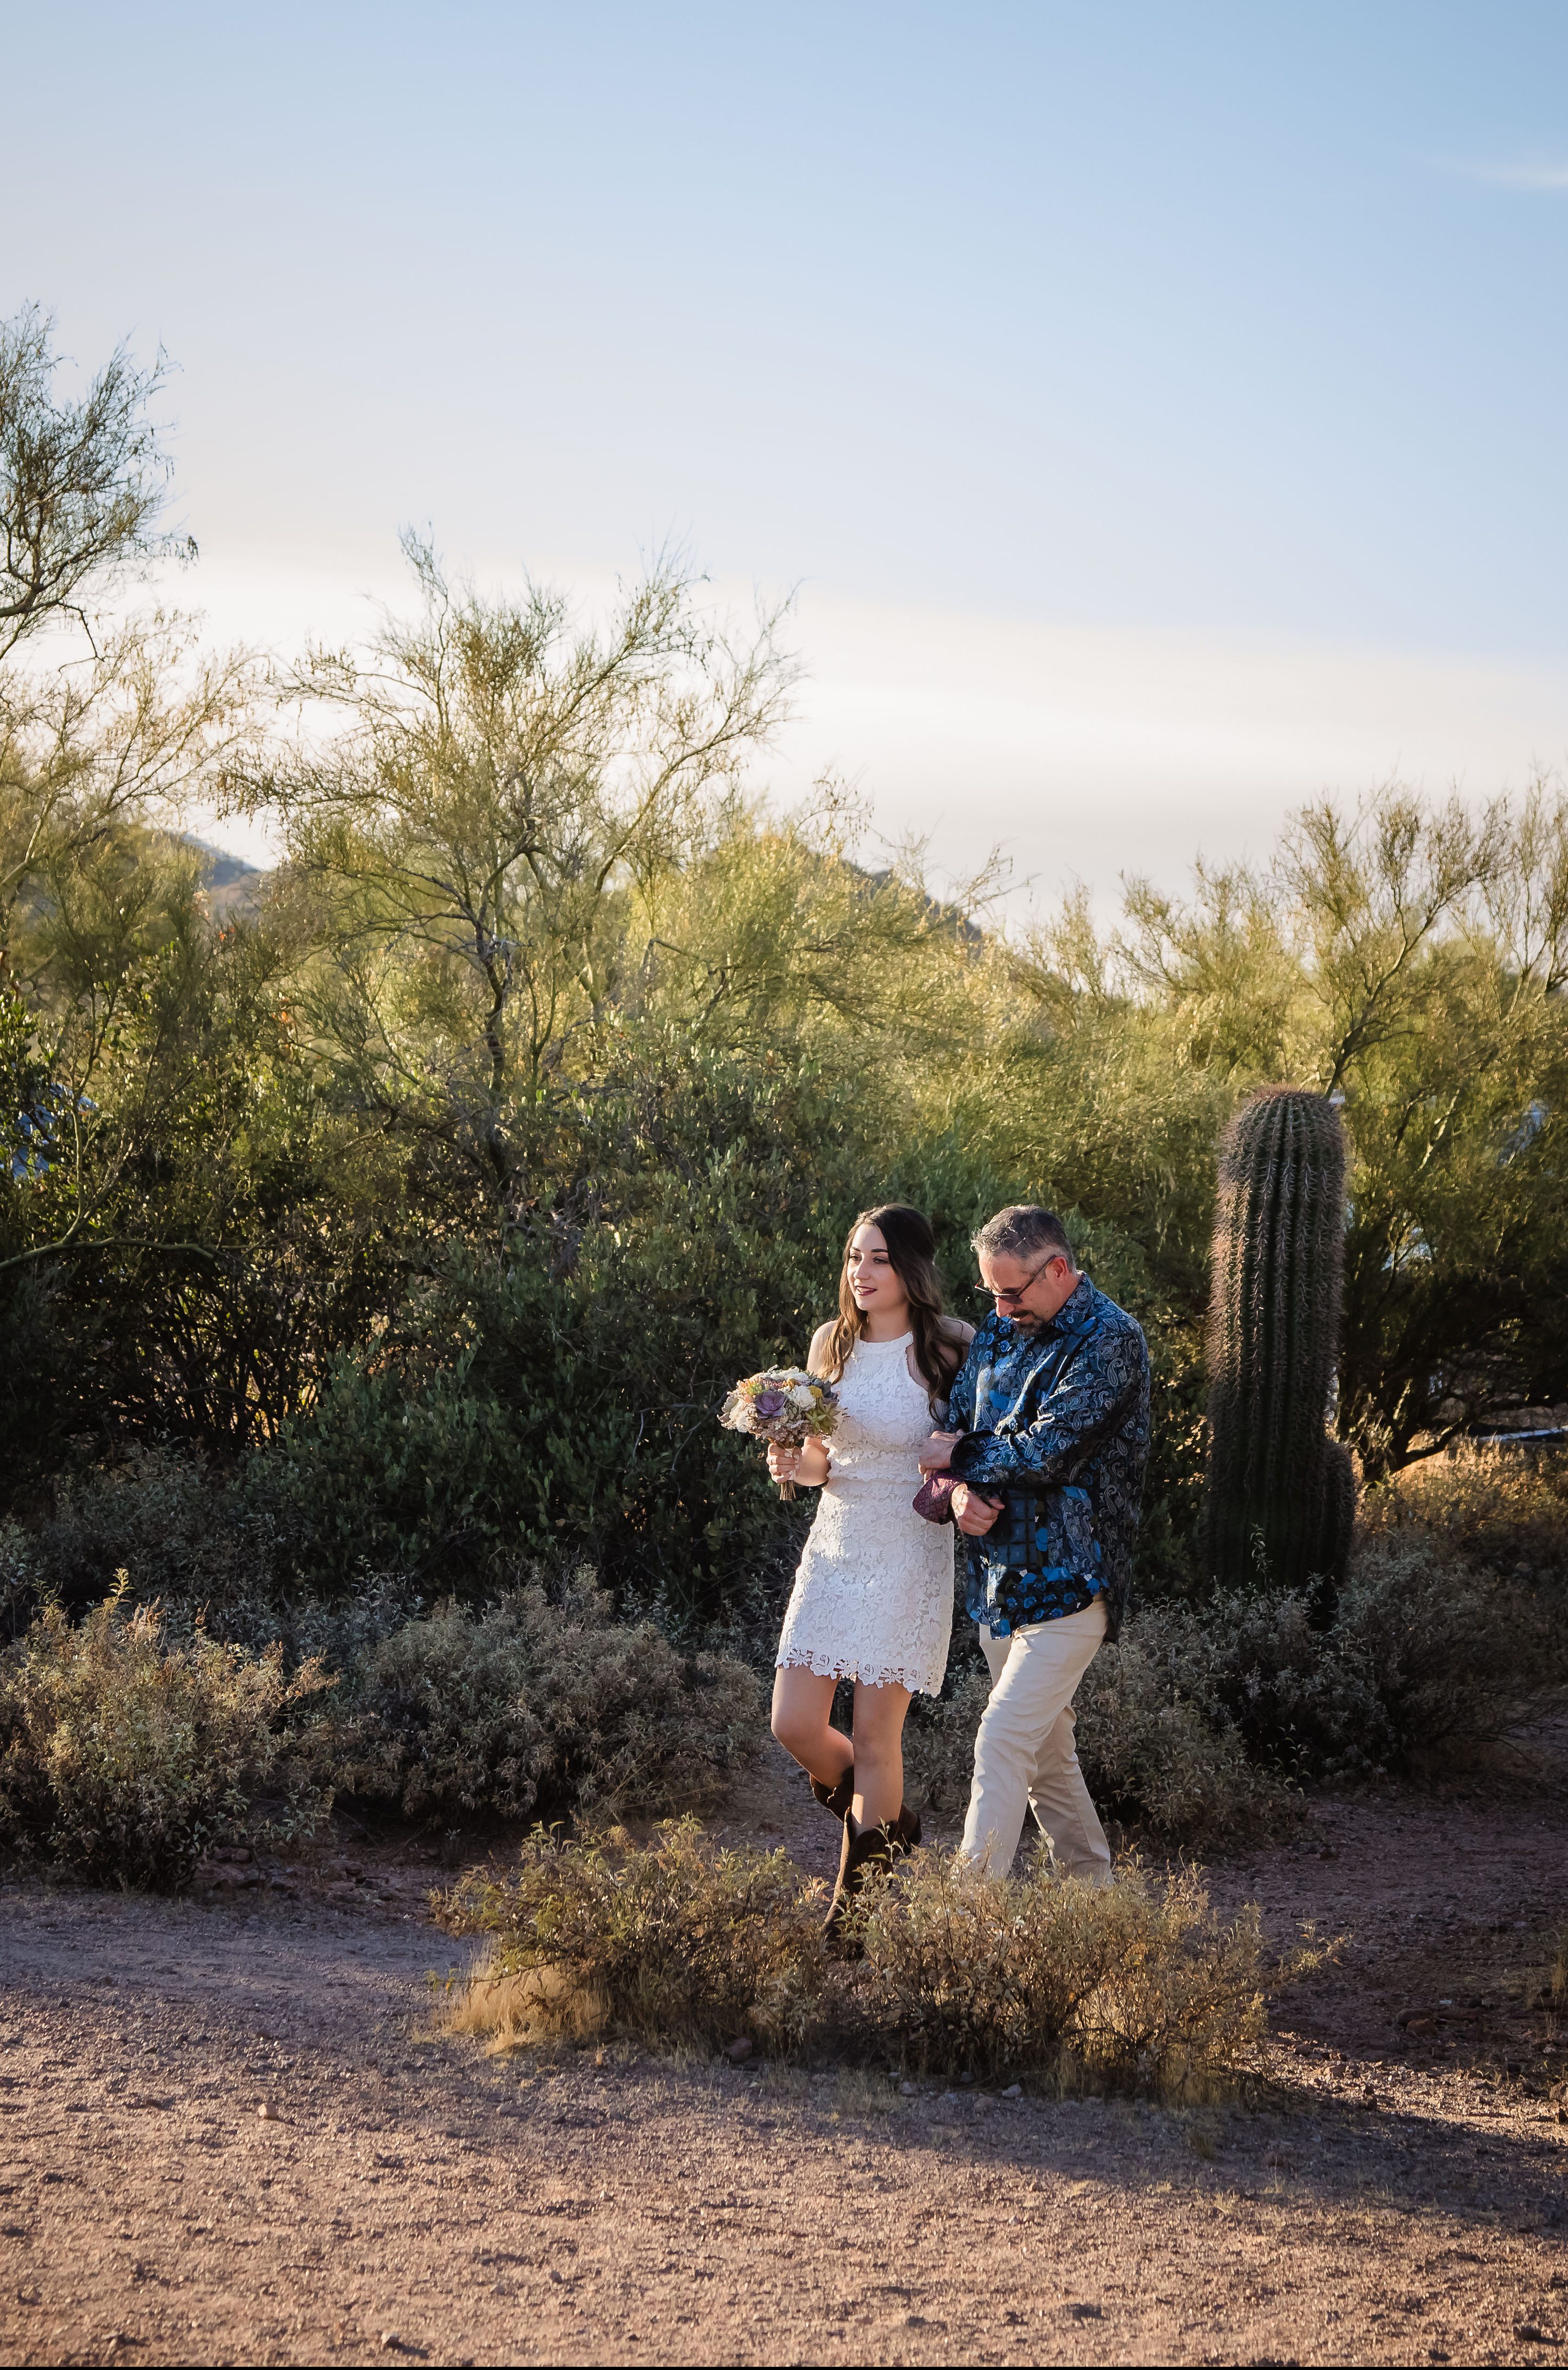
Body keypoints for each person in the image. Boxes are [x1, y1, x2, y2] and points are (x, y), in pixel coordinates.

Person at [921, 1204, 1149, 1883]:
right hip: (999, 1584)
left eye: (1012, 1291)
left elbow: (1051, 1449)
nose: (999, 1305)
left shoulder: (1111, 1338)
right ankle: (1098, 1908)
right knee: (1048, 1761)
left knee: (1002, 1739)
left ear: (1057, 1269)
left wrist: (960, 1456)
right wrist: (958, 1494)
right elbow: (949, 1435)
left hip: (1073, 1582)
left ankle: (962, 1926)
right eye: (991, 1291)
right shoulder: (996, 1331)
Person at [768, 1203, 973, 1941]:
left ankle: (853, 1914)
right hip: (837, 1540)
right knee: (793, 1722)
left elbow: (979, 1442)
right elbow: (825, 1459)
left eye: (879, 1258)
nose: (861, 1273)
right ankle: (892, 1828)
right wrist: (795, 1459)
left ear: (912, 1267)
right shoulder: (832, 1343)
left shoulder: (952, 1347)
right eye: (855, 1257)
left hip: (909, 1545)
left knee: (876, 1736)